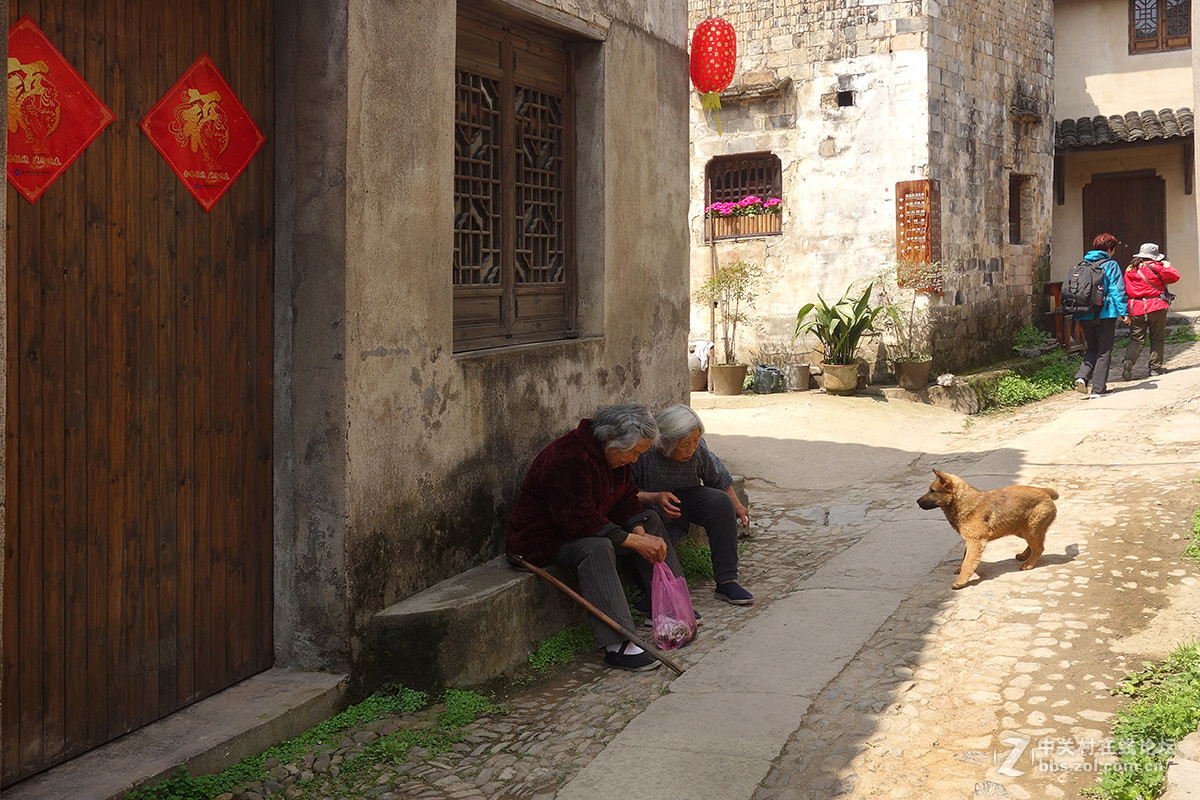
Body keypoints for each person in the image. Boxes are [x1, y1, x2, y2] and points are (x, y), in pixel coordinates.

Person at [506, 402, 686, 672]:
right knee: (598, 547)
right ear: (612, 438)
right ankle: (618, 645)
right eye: (634, 452)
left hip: (584, 524)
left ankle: (669, 607)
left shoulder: (614, 453)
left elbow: (626, 498)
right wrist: (637, 542)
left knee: (649, 520)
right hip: (543, 540)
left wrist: (639, 532)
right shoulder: (567, 458)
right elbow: (578, 523)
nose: (635, 460)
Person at [633, 405, 754, 605]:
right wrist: (655, 497)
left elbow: (718, 477)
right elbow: (626, 493)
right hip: (651, 504)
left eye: (696, 440)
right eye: (685, 444)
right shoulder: (645, 453)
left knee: (721, 502)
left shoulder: (698, 451)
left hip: (687, 497)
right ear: (665, 442)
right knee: (646, 520)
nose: (692, 448)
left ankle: (726, 581)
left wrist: (738, 506)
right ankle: (654, 590)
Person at [1072, 232, 1129, 398]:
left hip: (1084, 314)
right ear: (1110, 249)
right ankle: (1098, 389)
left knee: (1092, 347)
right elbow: (1117, 290)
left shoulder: (1082, 264)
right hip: (1105, 314)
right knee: (1104, 350)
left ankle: (1082, 377)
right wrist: (1124, 312)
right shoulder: (1111, 265)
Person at [1121, 242, 1180, 380]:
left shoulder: (1130, 269)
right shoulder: (1158, 267)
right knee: (1157, 338)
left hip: (1136, 307)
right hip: (1156, 306)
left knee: (1136, 339)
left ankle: (1128, 361)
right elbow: (1175, 277)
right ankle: (1155, 368)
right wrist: (1168, 266)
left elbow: (1125, 287)